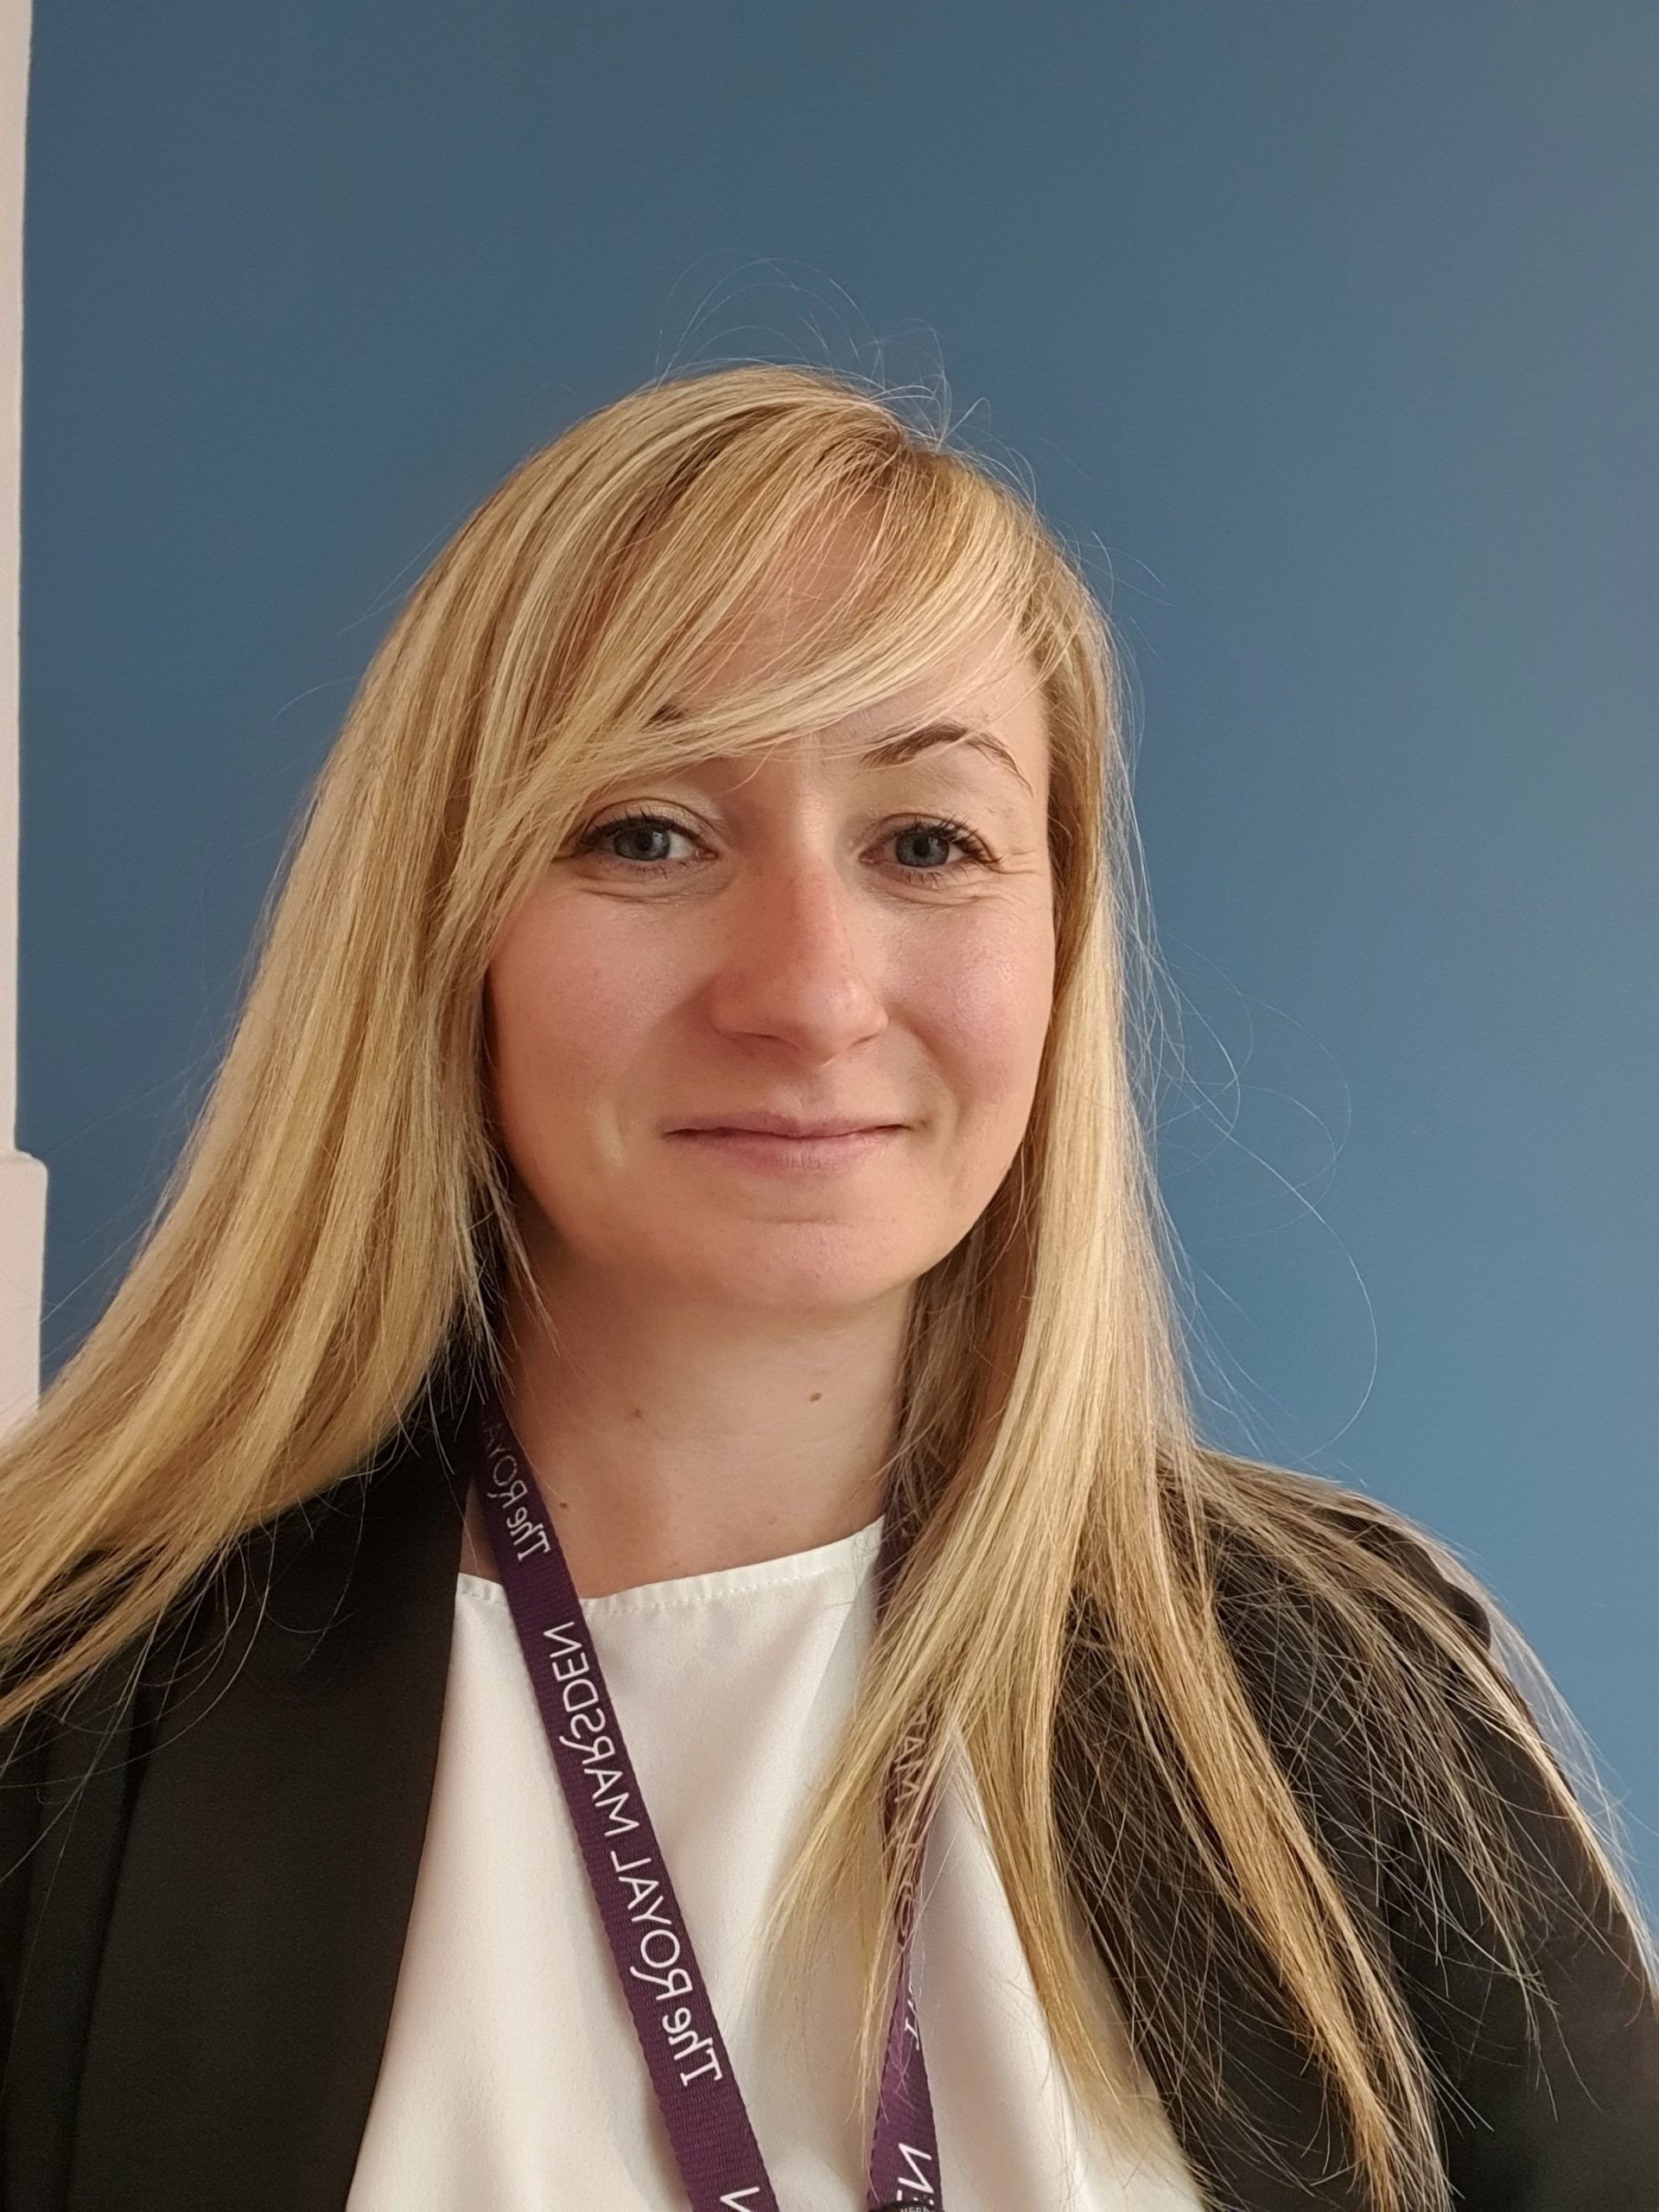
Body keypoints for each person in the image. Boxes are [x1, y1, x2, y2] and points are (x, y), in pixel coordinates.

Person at [1, 362, 1656, 2212]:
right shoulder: (58, 1710)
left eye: (927, 842)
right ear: (439, 925)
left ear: (1057, 937)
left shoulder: (1356, 1703)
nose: (806, 992)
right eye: (645, 831)